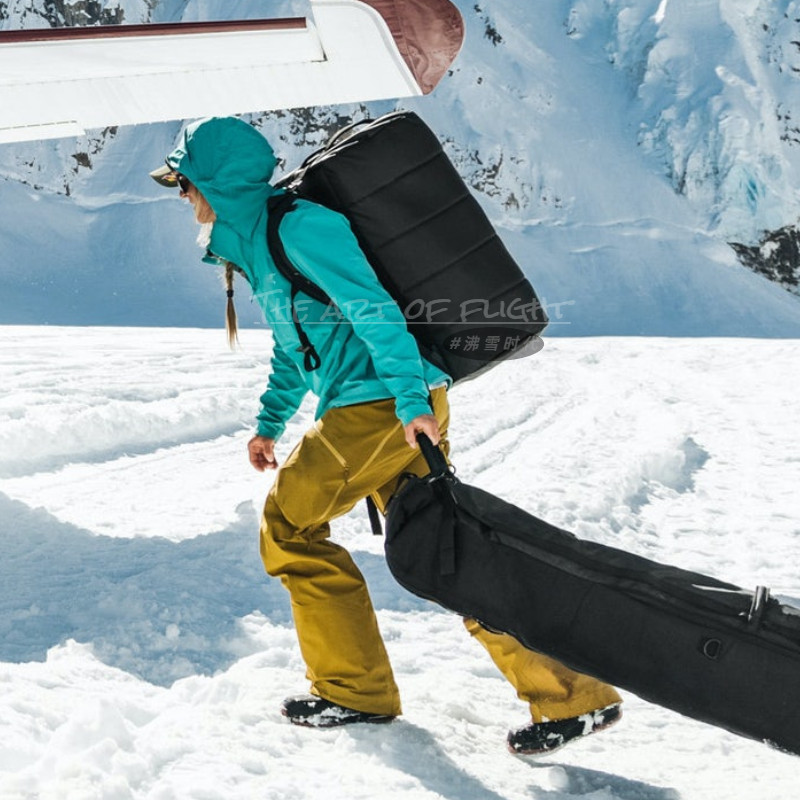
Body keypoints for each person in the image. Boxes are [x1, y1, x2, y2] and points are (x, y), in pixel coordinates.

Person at [150, 115, 622, 755]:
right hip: (386, 405)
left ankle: (354, 691)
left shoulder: (302, 227)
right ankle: (575, 698)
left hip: (381, 407)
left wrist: (407, 402)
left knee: (289, 527)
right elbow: (297, 348)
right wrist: (269, 423)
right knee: (446, 547)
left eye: (184, 183)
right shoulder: (258, 245)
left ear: (216, 181)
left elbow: (377, 310)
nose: (181, 197)